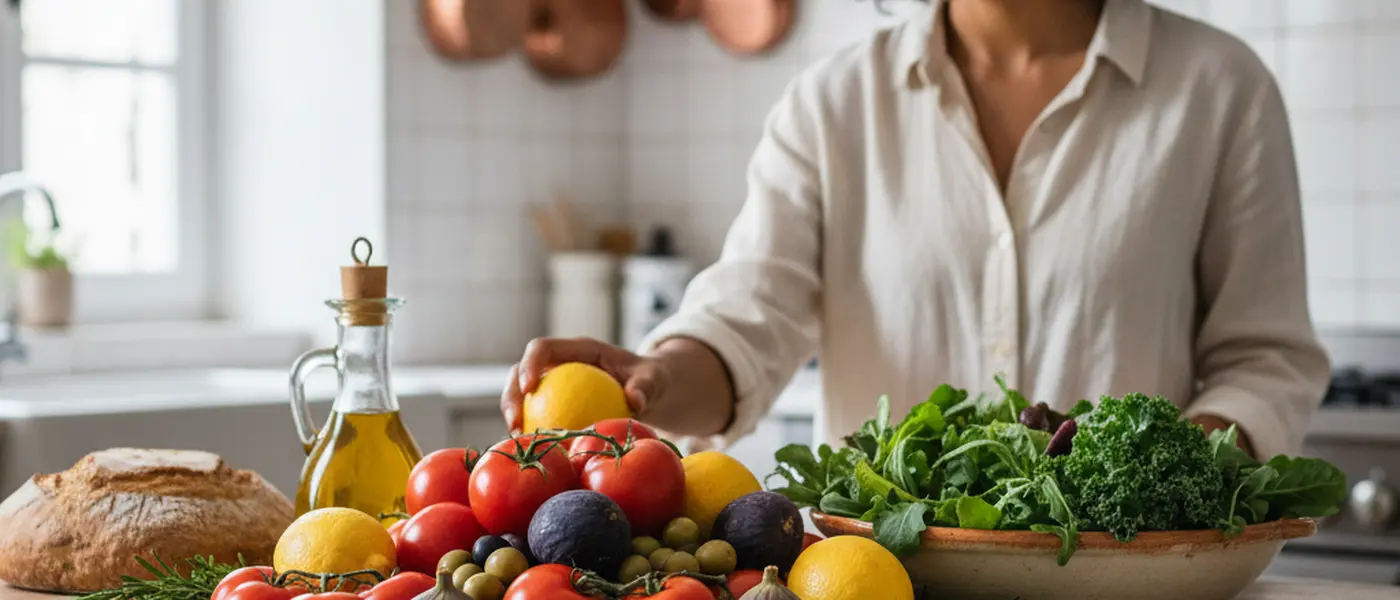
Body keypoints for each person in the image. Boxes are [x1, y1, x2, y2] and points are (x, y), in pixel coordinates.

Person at [501, 0, 1331, 459]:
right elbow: (745, 322)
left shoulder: (1219, 91)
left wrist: (1158, 473)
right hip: (878, 580)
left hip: (1136, 579)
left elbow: (1264, 359)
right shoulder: (833, 104)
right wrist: (650, 374)